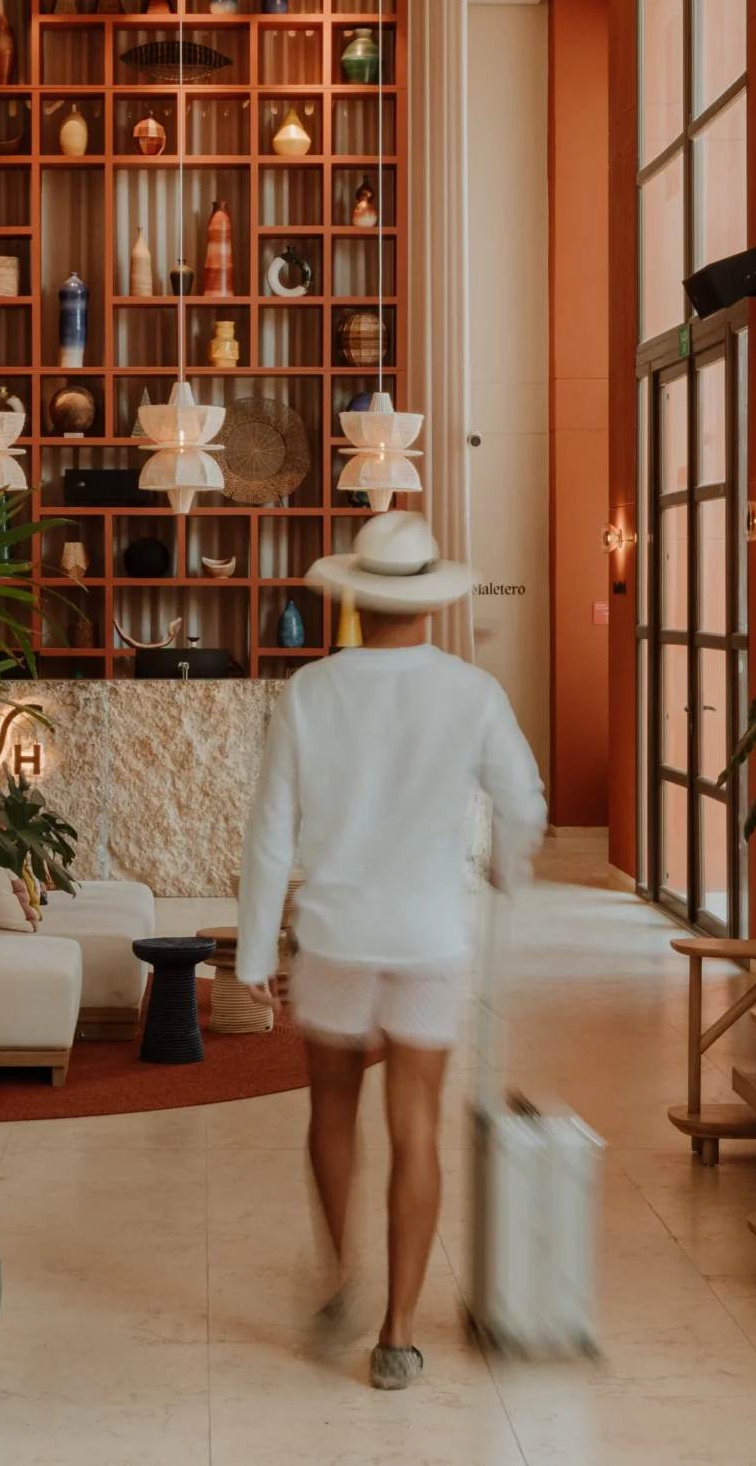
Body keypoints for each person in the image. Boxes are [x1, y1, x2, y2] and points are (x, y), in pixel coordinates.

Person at [234, 509, 547, 1391]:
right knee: (416, 1128)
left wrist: (253, 951)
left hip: (335, 932)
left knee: (331, 1112)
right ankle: (399, 1335)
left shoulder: (310, 690)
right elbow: (523, 799)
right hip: (427, 935)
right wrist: (508, 869)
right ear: (432, 605)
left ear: (354, 599)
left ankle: (341, 1272)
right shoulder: (470, 692)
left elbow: (269, 835)